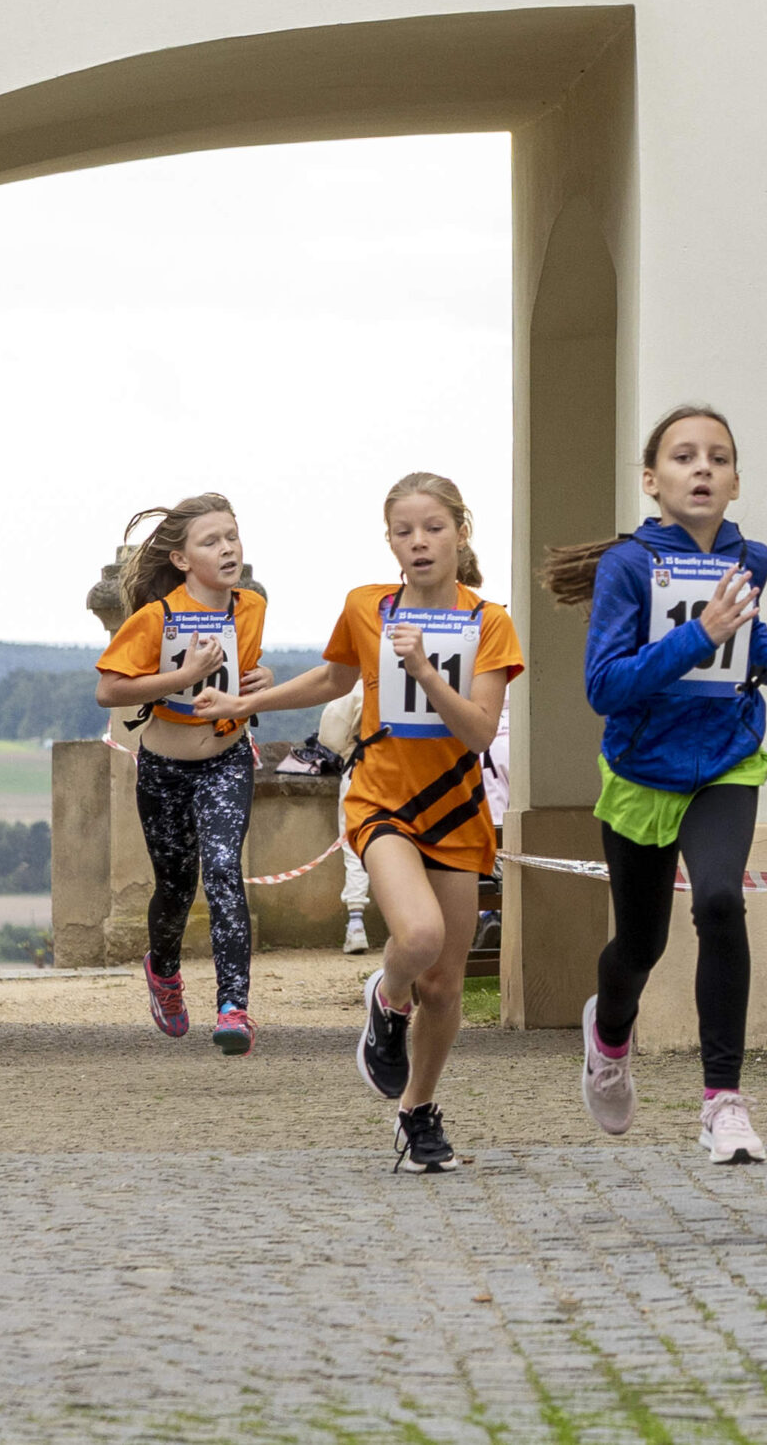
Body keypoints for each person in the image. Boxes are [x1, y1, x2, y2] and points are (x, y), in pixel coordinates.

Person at [544, 407, 767, 1164]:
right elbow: (605, 687)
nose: (703, 468)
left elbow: (751, 634)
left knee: (719, 901)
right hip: (642, 769)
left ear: (736, 481)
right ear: (652, 481)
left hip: (725, 759)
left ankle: (723, 1103)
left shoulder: (750, 556)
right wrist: (698, 635)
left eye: (718, 457)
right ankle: (608, 1037)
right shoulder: (627, 567)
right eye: (684, 457)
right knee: (640, 944)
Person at [200, 473, 522, 1172]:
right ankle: (387, 994)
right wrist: (243, 705)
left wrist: (425, 670)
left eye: (433, 528)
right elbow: (332, 680)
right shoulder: (365, 606)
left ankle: (417, 1111)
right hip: (381, 801)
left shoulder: (488, 621)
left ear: (460, 533)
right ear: (390, 542)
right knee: (420, 937)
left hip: (457, 810)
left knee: (445, 986)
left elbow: (478, 731)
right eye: (404, 532)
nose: (419, 542)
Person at [94, 495, 272, 1053]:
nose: (227, 549)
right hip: (165, 770)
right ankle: (164, 972)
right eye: (211, 541)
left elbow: (238, 674)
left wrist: (259, 681)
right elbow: (109, 691)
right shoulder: (156, 618)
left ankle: (234, 1008)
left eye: (232, 537)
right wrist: (181, 676)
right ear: (181, 559)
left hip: (226, 759)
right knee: (175, 888)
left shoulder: (251, 607)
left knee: (222, 870)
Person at [319, 683, 371, 952]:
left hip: (358, 772)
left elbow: (329, 735)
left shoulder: (357, 688)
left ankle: (356, 922)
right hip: (406, 775)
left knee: (354, 846)